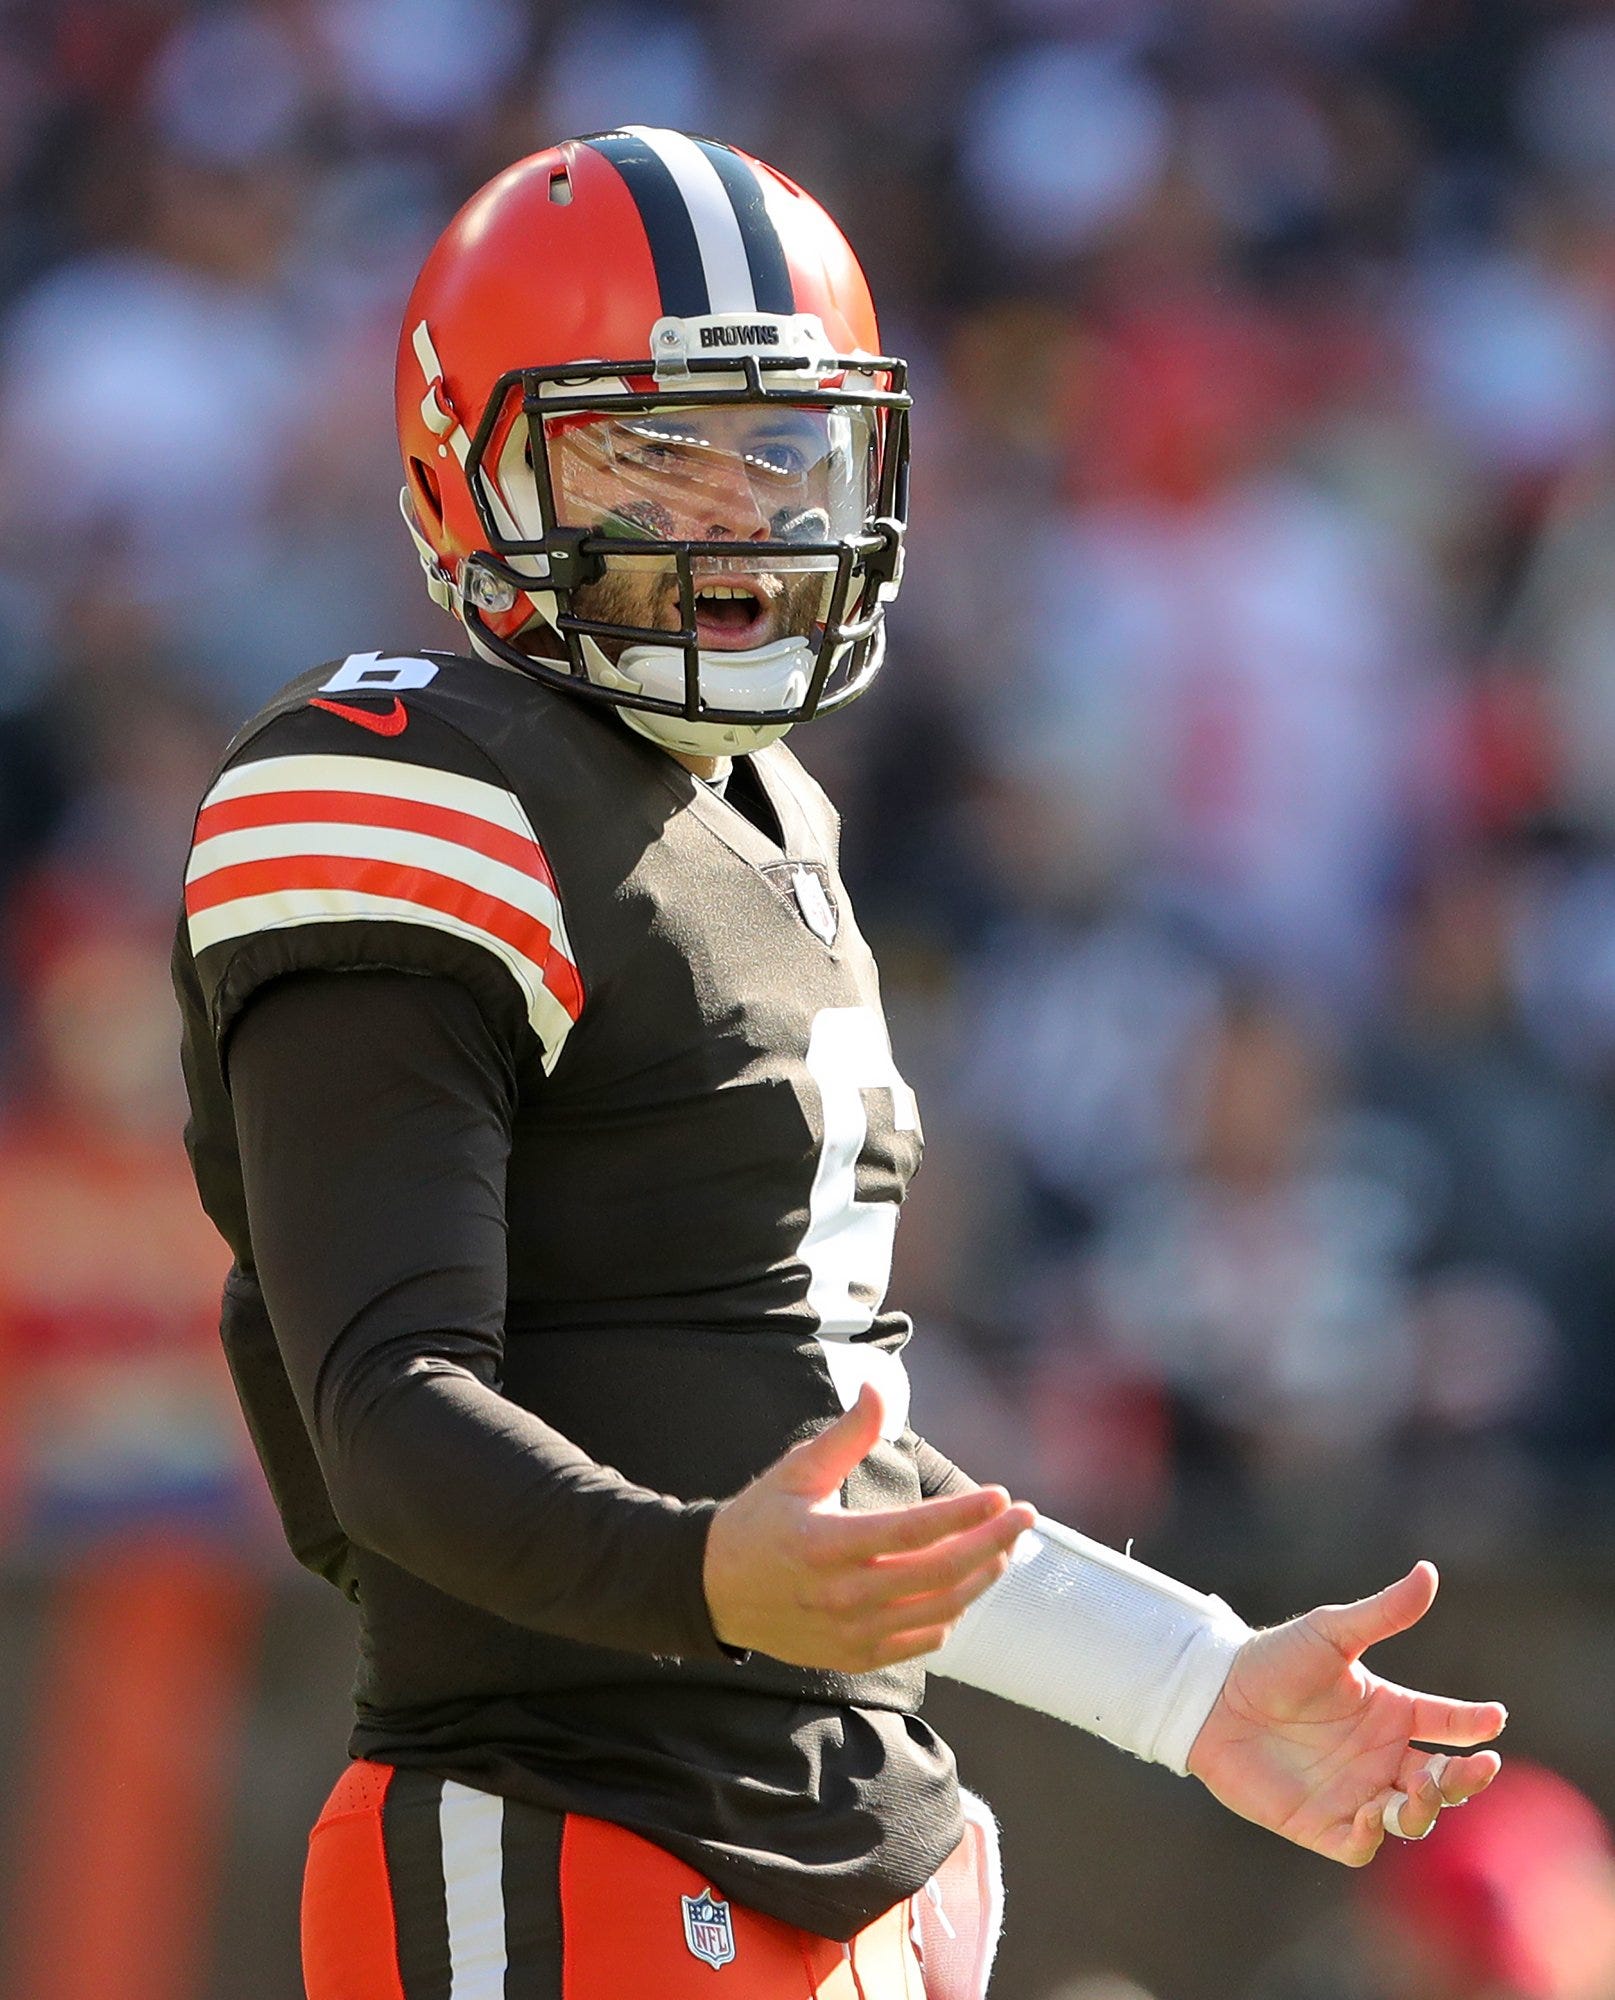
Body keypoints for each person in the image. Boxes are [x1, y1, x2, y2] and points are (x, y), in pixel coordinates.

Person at [173, 129, 1506, 2000]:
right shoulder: (402, 776)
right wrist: (706, 1574)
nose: (735, 515)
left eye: (781, 449)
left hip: (863, 1851)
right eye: (652, 448)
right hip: (579, 1834)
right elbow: (383, 1417)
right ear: (461, 462)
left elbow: (798, 1439)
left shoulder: (764, 817)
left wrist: (1190, 1683)